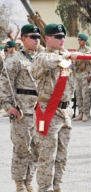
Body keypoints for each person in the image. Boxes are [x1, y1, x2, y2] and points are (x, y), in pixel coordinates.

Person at [31, 23, 82, 192]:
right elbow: (46, 62)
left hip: (65, 112)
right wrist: (66, 56)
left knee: (61, 156)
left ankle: (57, 187)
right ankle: (44, 189)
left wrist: (80, 54)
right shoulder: (42, 56)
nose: (62, 39)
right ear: (47, 39)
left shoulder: (65, 57)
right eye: (58, 37)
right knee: (47, 156)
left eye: (63, 36)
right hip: (48, 112)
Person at [0, 24, 43, 192]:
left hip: (40, 110)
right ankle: (19, 183)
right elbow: (4, 84)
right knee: (21, 148)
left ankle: (29, 180)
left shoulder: (44, 58)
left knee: (36, 148)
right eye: (32, 37)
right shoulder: (15, 59)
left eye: (38, 37)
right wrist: (7, 106)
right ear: (23, 39)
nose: (36, 39)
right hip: (22, 112)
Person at [72, 33, 91, 122]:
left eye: (81, 40)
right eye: (78, 40)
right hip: (78, 75)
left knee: (85, 95)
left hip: (86, 75)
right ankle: (81, 112)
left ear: (85, 41)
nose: (79, 41)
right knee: (78, 95)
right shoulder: (77, 50)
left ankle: (86, 113)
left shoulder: (90, 51)